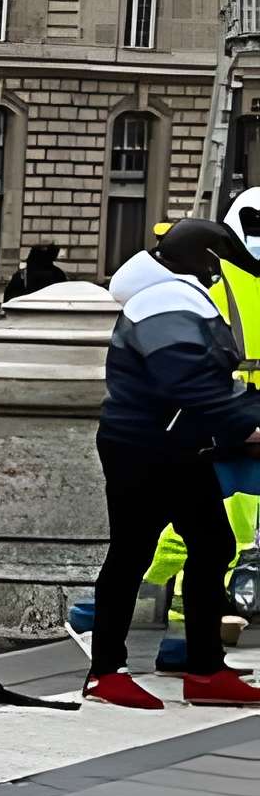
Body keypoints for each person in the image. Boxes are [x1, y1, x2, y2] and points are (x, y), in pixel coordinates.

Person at [86, 218, 260, 708]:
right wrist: (245, 427)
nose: (220, 272)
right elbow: (188, 382)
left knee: (211, 544)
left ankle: (204, 670)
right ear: (201, 259)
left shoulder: (169, 294)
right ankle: (106, 673)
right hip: (146, 447)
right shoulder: (166, 301)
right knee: (132, 553)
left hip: (173, 444)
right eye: (217, 262)